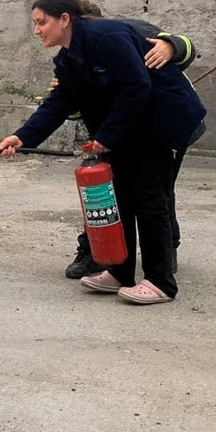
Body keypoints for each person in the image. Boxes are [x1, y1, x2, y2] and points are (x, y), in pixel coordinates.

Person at [0, 0, 206, 305]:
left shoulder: (106, 37)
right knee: (119, 199)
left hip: (159, 125)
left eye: (42, 23)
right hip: (126, 131)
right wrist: (23, 137)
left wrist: (106, 136)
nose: (37, 30)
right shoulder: (68, 57)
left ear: (64, 20)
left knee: (149, 200)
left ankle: (160, 281)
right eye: (35, 24)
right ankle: (119, 273)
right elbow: (60, 102)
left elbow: (137, 87)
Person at [64, 14, 203, 279]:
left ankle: (164, 253)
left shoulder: (129, 32)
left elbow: (188, 49)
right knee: (108, 192)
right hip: (120, 132)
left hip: (167, 125)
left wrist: (170, 45)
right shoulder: (73, 51)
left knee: (156, 191)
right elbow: (75, 110)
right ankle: (99, 255)